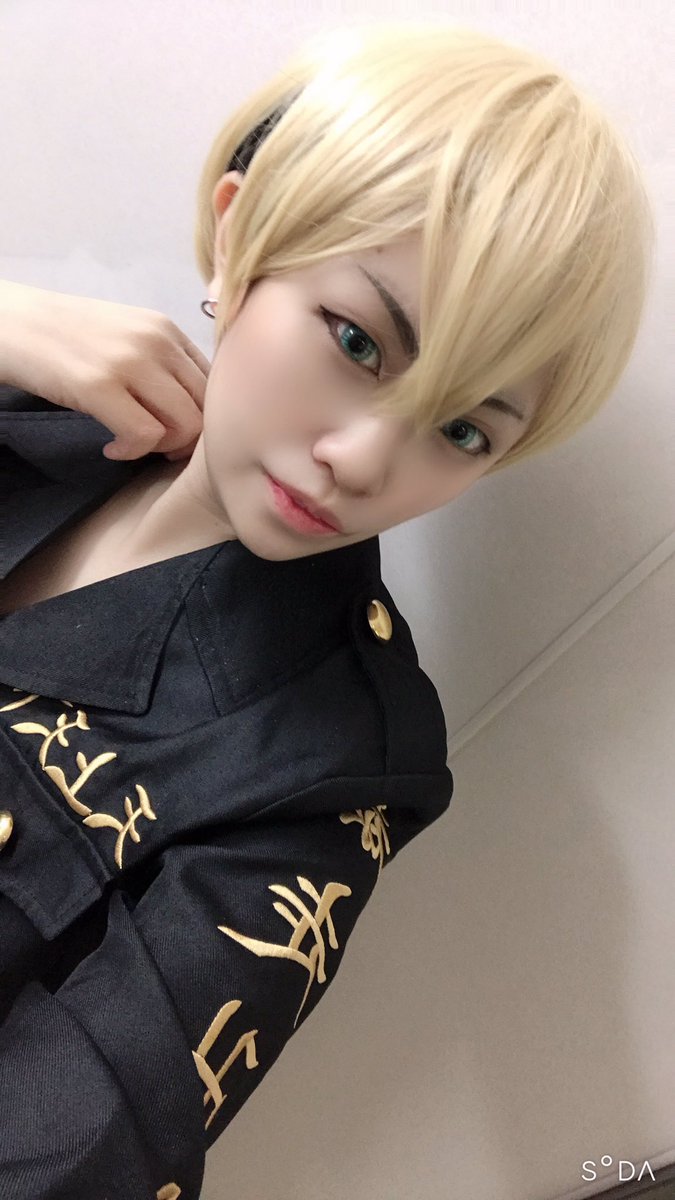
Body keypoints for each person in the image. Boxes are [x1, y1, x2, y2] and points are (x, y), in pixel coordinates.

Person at [0, 20, 652, 1200]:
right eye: (357, 340)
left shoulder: (323, 772)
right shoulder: (35, 410)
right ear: (241, 228)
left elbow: (69, 1155)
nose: (362, 460)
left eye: (463, 429)